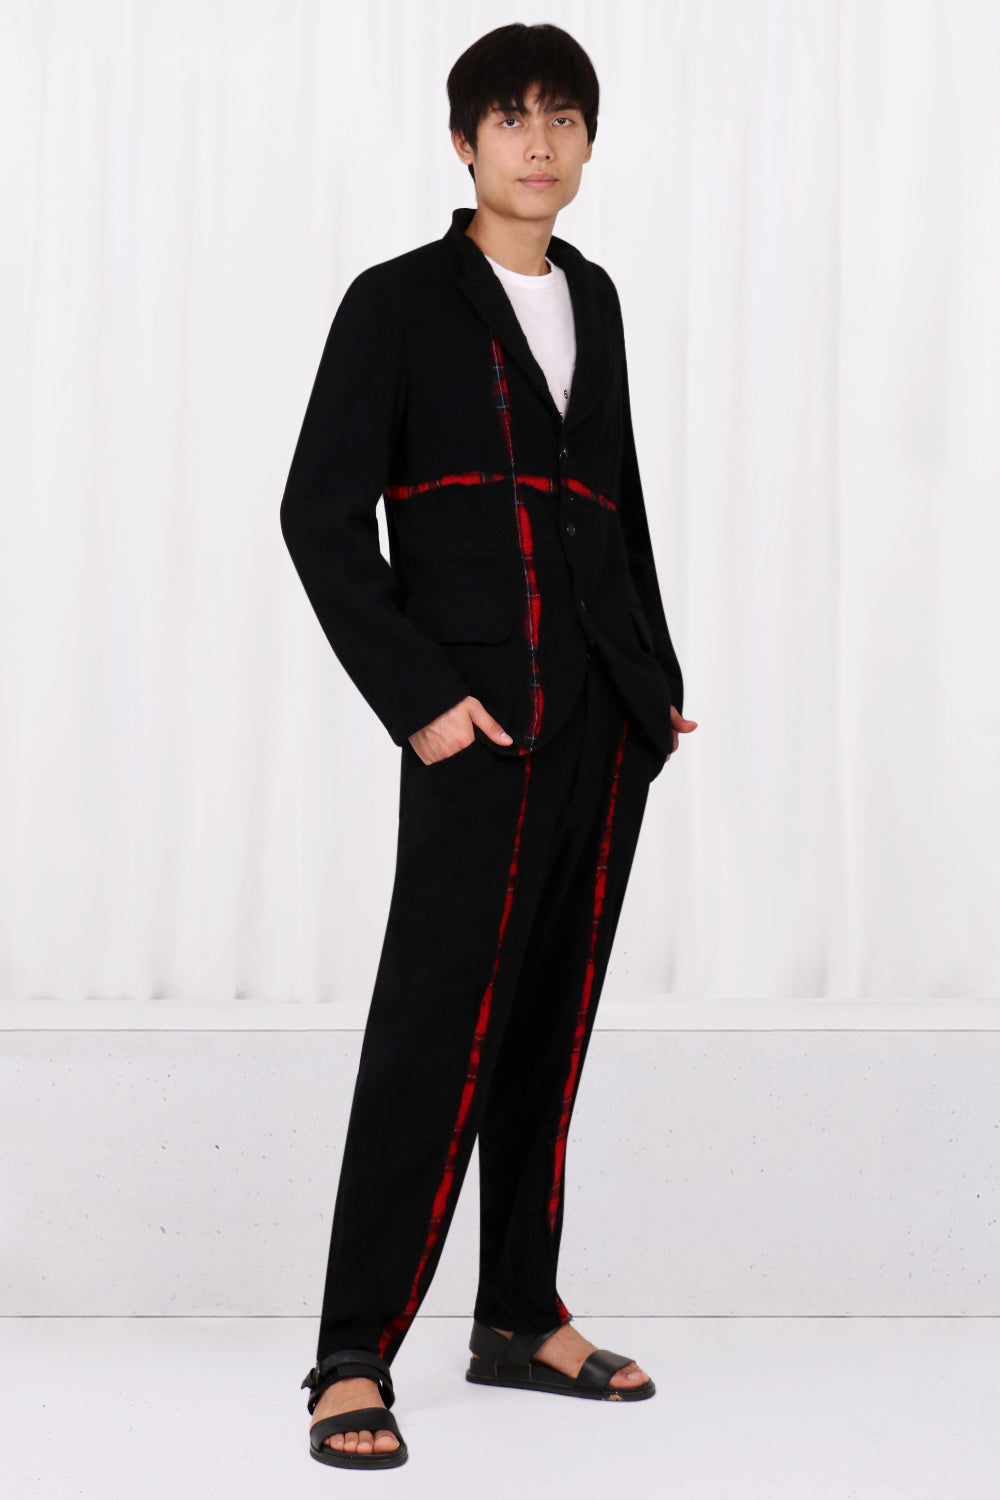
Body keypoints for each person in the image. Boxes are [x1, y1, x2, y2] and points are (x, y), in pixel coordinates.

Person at [279, 20, 697, 1472]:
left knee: (548, 1026)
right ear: (464, 143)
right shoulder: (396, 305)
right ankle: (351, 1353)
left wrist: (652, 677)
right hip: (477, 730)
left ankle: (519, 1313)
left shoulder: (599, 299)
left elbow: (615, 505)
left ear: (587, 144)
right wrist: (422, 700)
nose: (539, 142)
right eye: (511, 118)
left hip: (604, 726)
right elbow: (318, 518)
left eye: (563, 118)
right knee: (434, 1032)